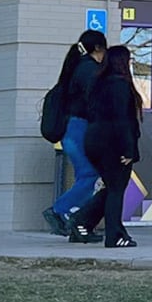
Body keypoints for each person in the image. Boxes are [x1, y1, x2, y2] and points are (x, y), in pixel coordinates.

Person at [41, 26, 108, 240]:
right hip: (79, 128)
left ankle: (79, 222)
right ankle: (61, 211)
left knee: (84, 174)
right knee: (90, 174)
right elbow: (95, 101)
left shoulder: (75, 67)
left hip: (70, 129)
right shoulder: (88, 69)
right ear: (98, 48)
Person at [83, 44, 144, 249]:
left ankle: (82, 220)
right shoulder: (120, 85)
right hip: (113, 144)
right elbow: (122, 120)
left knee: (111, 187)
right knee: (117, 189)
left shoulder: (98, 84)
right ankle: (115, 235)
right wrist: (129, 150)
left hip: (94, 141)